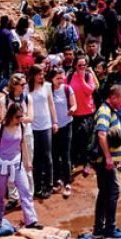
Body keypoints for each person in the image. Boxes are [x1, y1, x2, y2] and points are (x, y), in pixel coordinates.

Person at [0, 103, 42, 230]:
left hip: (17, 163)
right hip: (2, 164)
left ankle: (31, 220)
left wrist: (28, 161)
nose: (20, 119)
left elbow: (23, 144)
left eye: (21, 116)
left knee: (25, 191)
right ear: (11, 116)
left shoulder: (21, 127)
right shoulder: (0, 127)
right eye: (18, 117)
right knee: (0, 194)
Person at [92, 84, 121, 239]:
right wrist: (108, 157)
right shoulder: (104, 111)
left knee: (105, 192)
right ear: (113, 97)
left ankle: (99, 228)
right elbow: (101, 134)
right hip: (103, 161)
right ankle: (109, 228)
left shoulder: (110, 110)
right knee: (113, 191)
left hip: (107, 160)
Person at [2, 72, 34, 204]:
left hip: (25, 134)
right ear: (14, 85)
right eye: (22, 84)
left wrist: (14, 119)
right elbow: (3, 119)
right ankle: (13, 197)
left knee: (28, 165)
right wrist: (21, 119)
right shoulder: (4, 100)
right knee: (10, 166)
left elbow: (31, 118)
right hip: (10, 136)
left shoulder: (27, 98)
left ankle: (28, 195)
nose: (25, 86)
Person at [27, 65, 57, 199]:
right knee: (36, 158)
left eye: (42, 74)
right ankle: (37, 186)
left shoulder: (47, 86)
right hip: (32, 126)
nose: (41, 76)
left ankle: (48, 185)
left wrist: (55, 121)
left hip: (46, 125)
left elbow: (51, 104)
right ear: (33, 75)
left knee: (47, 156)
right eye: (39, 74)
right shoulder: (27, 89)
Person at [68, 57, 98, 177]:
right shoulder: (69, 76)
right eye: (79, 65)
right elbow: (65, 89)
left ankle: (87, 163)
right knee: (74, 139)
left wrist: (81, 79)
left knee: (86, 139)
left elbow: (90, 91)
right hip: (74, 113)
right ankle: (75, 161)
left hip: (87, 113)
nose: (82, 67)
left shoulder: (88, 76)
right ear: (75, 65)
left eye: (84, 65)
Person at [50, 68, 76, 198]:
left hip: (66, 124)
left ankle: (67, 182)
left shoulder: (67, 89)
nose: (60, 81)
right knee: (54, 154)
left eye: (62, 78)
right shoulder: (48, 90)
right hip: (52, 127)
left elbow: (74, 104)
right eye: (57, 78)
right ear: (52, 79)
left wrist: (72, 109)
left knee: (65, 155)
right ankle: (57, 180)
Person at [0, 16, 18, 92]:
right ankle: (0, 89)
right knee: (6, 75)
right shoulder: (8, 34)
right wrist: (13, 58)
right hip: (6, 59)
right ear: (7, 22)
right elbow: (10, 47)